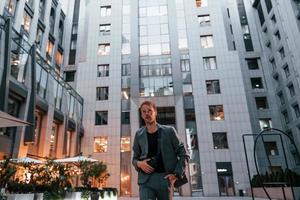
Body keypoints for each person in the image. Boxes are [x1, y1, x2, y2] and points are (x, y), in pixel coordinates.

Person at [132, 100, 189, 200]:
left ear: (155, 112)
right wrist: (139, 164)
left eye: (149, 111)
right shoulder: (138, 134)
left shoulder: (169, 131)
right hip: (145, 181)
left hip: (164, 179)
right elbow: (134, 158)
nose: (147, 114)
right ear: (141, 115)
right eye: (144, 112)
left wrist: (176, 174)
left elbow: (184, 155)